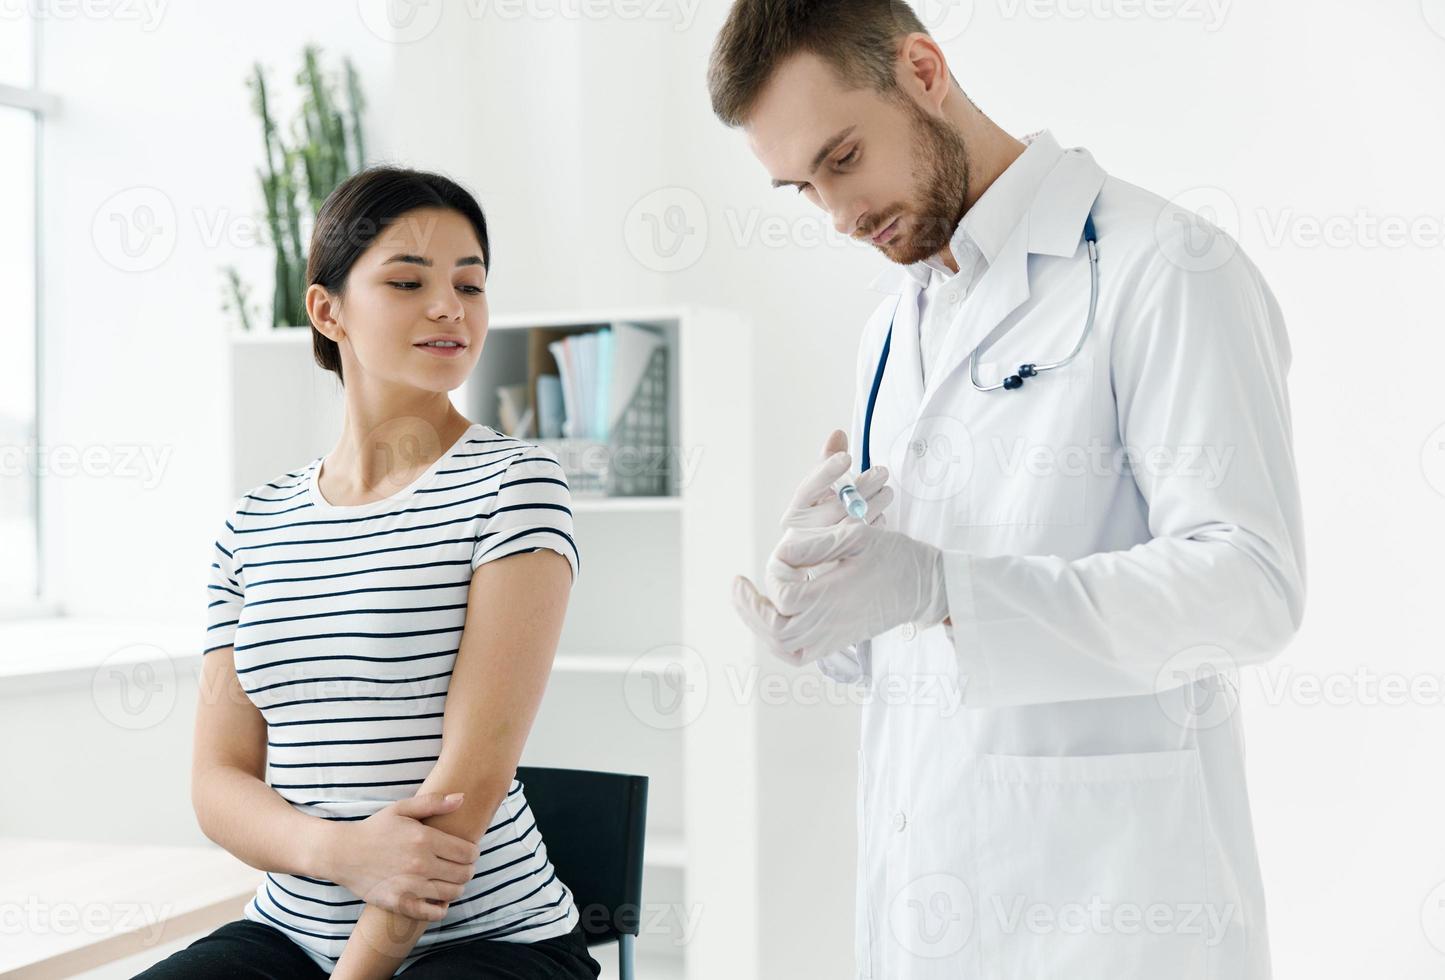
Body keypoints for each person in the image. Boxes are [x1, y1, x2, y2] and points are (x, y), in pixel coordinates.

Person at [710, 2, 1305, 977]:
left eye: (844, 157)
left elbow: (1250, 589)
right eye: (801, 187)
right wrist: (832, 612)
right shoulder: (891, 328)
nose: (837, 215)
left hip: (1114, 919)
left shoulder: (1163, 268)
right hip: (924, 911)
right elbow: (920, 639)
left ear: (924, 69)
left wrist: (946, 588)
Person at [139, 167, 601, 980]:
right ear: (328, 310)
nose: (449, 307)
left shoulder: (516, 486)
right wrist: (343, 853)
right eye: (407, 281)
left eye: (471, 283)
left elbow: (467, 787)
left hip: (484, 942)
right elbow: (218, 783)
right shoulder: (252, 527)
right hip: (288, 932)